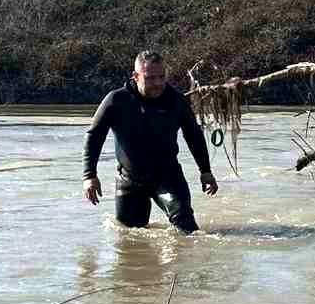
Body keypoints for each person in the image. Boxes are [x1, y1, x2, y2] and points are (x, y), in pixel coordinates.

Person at [83, 50, 218, 232]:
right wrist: (89, 176)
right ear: (135, 76)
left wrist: (205, 171)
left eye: (161, 77)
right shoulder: (116, 101)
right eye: (150, 78)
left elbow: (193, 135)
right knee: (130, 237)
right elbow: (94, 136)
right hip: (130, 180)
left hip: (168, 177)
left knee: (187, 227)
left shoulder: (176, 100)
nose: (158, 83)